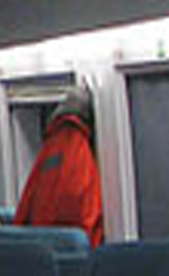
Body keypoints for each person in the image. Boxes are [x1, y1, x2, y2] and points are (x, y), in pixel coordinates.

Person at [15, 86, 104, 247]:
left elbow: (25, 207)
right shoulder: (80, 151)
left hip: (37, 247)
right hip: (71, 251)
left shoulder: (48, 149)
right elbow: (89, 213)